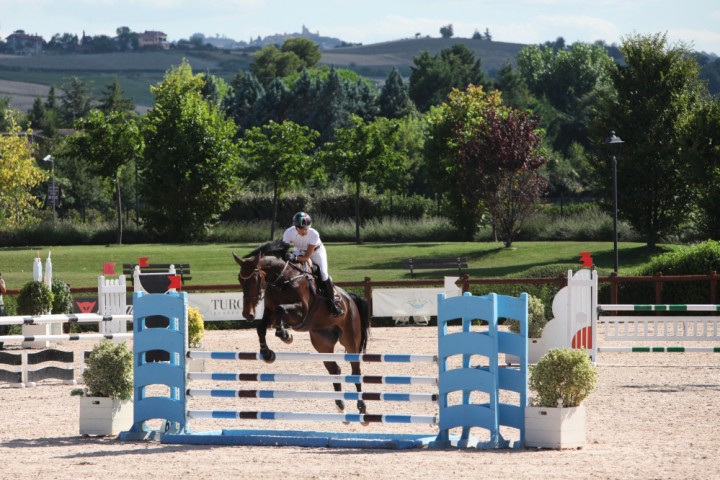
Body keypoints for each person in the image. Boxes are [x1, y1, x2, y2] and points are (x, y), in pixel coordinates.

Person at [282, 212, 344, 316]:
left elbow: (306, 257)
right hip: (299, 250)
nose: (304, 231)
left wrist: (294, 257)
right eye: (301, 229)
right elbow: (283, 249)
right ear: (295, 227)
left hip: (316, 252)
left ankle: (332, 304)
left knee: (323, 274)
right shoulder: (288, 232)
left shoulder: (314, 234)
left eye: (306, 228)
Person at [0, 272, 6, 350]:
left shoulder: (2, 281)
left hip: (0, 305)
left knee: (1, 326)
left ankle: (0, 345)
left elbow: (4, 291)